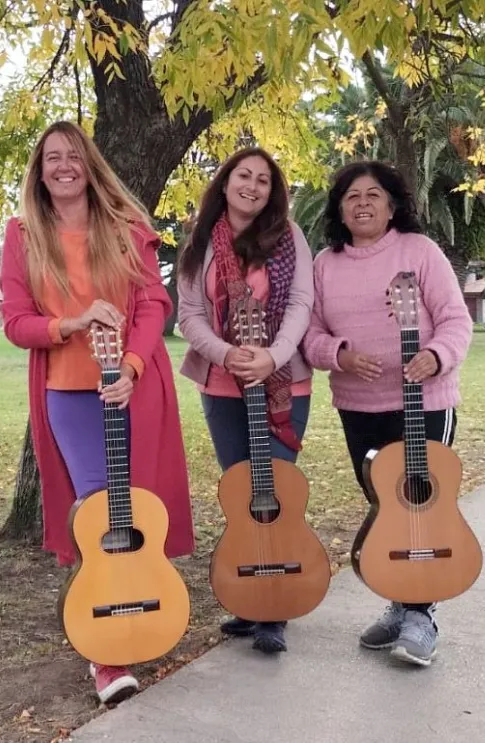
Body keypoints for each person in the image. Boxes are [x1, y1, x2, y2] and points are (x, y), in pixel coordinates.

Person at [0, 121, 195, 703]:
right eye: (50, 158)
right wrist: (71, 324)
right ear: (39, 171)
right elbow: (15, 321)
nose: (62, 166)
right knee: (97, 512)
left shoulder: (128, 229)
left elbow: (153, 304)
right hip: (69, 393)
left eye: (73, 157)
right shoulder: (23, 235)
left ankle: (139, 611)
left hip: (133, 384)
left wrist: (131, 368)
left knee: (139, 507)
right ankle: (107, 654)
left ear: (89, 165)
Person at [302, 160, 473, 667]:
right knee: (386, 510)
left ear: (393, 204)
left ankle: (422, 617)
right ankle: (402, 604)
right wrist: (341, 354)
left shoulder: (418, 252)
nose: (362, 203)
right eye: (351, 196)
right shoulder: (325, 264)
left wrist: (436, 356)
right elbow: (309, 337)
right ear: (338, 208)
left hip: (426, 403)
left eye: (373, 194)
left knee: (421, 505)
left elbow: (456, 320)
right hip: (359, 407)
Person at [176, 147, 315, 654]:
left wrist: (272, 357)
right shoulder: (201, 241)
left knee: (274, 490)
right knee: (242, 492)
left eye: (263, 179)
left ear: (272, 191)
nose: (252, 186)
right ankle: (250, 596)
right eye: (243, 176)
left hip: (283, 382)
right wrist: (228, 353)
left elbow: (302, 303)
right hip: (222, 381)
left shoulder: (290, 237)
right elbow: (188, 315)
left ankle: (273, 608)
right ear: (226, 182)